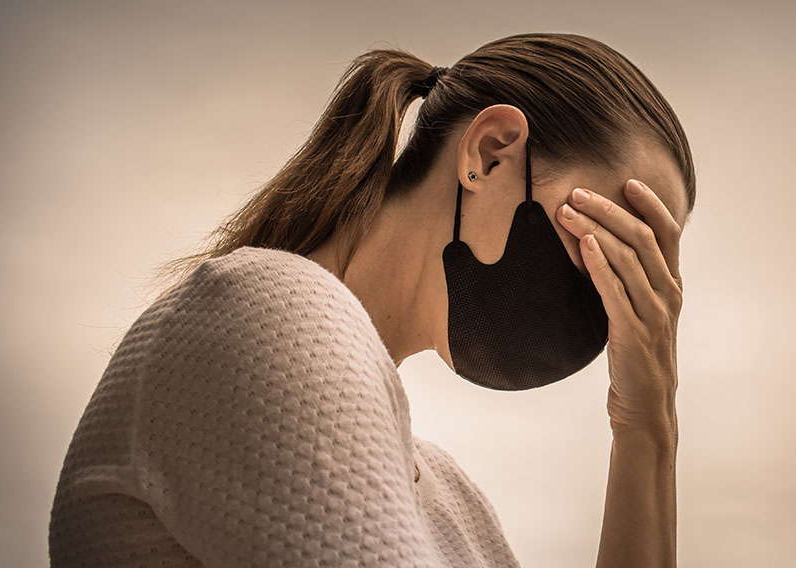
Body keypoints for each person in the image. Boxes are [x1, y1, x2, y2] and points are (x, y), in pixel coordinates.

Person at [49, 32, 695, 567]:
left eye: (646, 278)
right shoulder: (269, 313)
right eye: (614, 242)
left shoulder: (454, 505)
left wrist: (647, 428)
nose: (616, 304)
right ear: (490, 153)